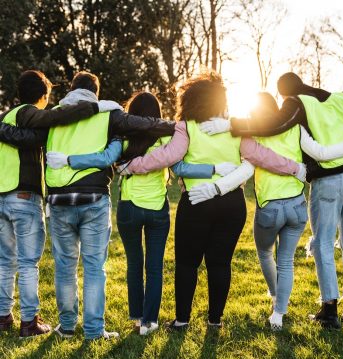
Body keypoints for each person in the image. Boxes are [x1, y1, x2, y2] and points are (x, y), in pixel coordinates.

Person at [116, 72, 309, 330]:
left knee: (187, 263)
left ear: (190, 100)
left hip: (196, 204)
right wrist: (294, 168)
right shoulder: (235, 129)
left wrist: (132, 165)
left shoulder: (186, 127)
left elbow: (167, 157)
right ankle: (215, 320)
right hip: (232, 205)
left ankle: (182, 320)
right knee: (220, 263)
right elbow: (260, 155)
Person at [0, 71, 178, 339]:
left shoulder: (55, 114)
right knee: (94, 266)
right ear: (96, 92)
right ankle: (94, 330)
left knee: (64, 266)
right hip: (94, 198)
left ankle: (68, 327)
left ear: (71, 89)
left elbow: (26, 137)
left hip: (59, 200)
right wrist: (176, 125)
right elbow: (141, 124)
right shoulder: (107, 113)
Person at [46, 91, 224, 336]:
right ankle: (150, 322)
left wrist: (69, 159)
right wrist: (215, 169)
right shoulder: (165, 139)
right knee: (154, 267)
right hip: (156, 210)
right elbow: (181, 166)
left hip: (129, 208)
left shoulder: (123, 137)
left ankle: (137, 318)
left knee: (134, 265)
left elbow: (107, 158)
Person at [199, 73, 343, 328]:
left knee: (322, 243)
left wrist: (230, 124)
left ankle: (330, 310)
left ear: (285, 94)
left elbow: (273, 124)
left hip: (329, 180)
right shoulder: (341, 99)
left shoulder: (296, 103)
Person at [0, 70, 110, 338]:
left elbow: (29, 138)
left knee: (5, 262)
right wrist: (94, 107)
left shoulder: (7, 118)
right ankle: (29, 321)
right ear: (44, 96)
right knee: (27, 263)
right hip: (23, 195)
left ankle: (3, 317)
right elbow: (54, 118)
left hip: (1, 196)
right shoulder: (27, 113)